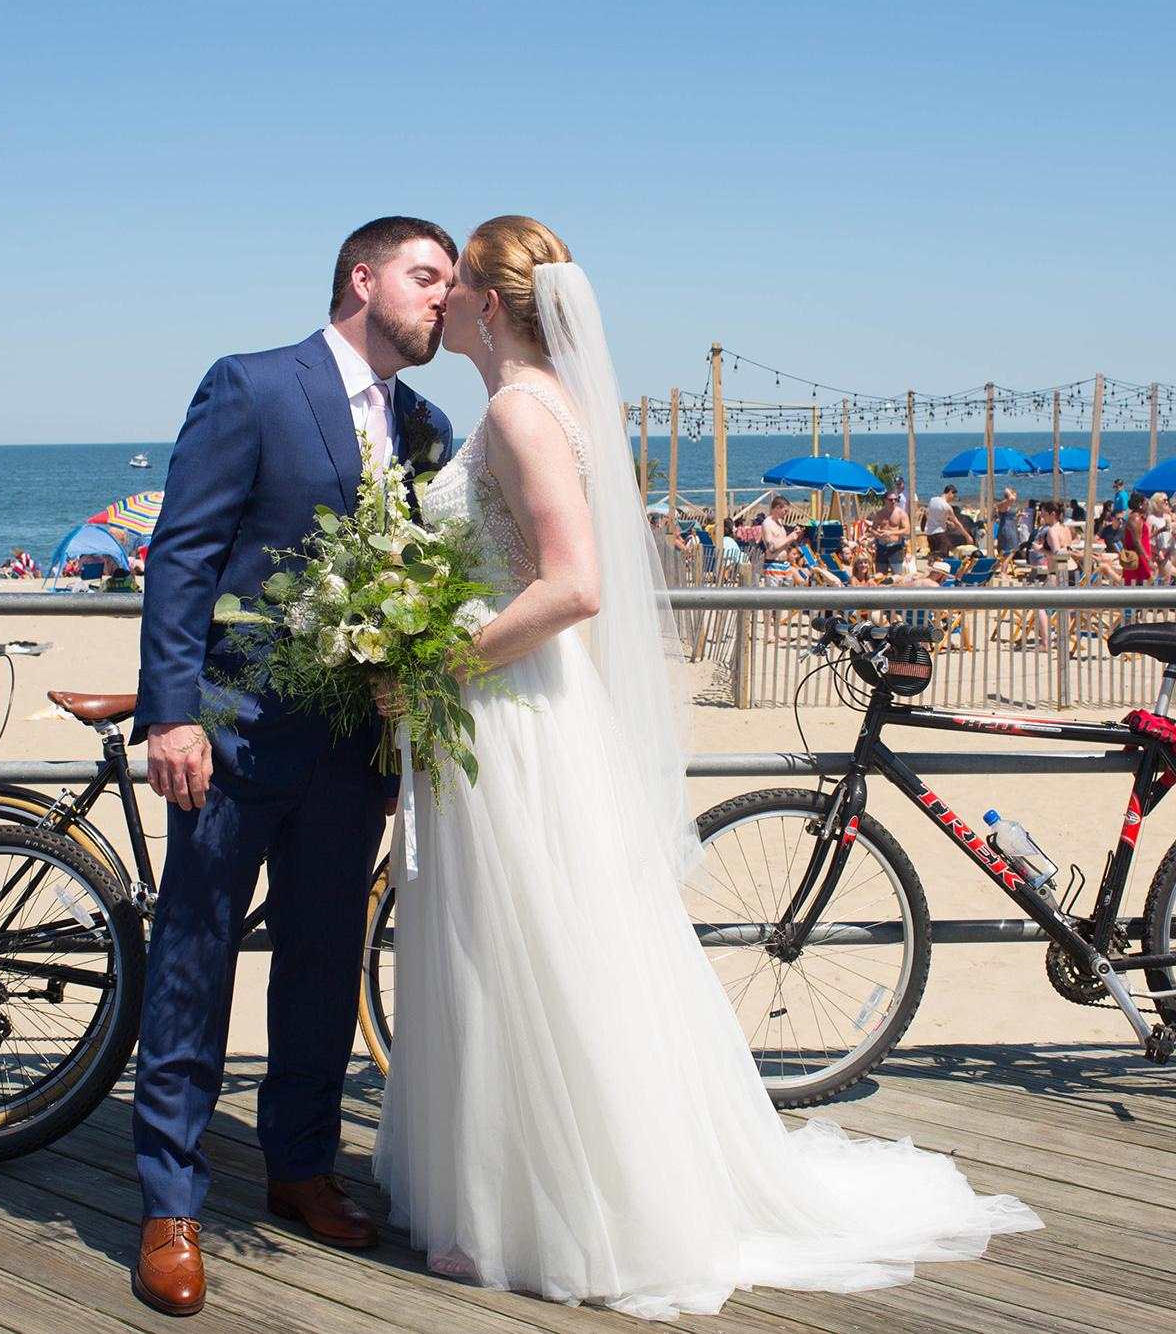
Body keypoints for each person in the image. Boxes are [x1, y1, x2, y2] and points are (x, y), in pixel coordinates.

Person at [374, 216, 1036, 1317]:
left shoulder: (516, 411)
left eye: (453, 290)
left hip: (505, 706)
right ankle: (504, 1191)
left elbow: (574, 585)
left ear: (489, 307)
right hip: (528, 705)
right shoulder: (553, 406)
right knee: (527, 943)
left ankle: (544, 1205)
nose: (435, 304)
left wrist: (441, 662)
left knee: (522, 947)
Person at [130, 216, 460, 1316]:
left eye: (450, 284)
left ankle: (299, 1168)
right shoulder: (253, 385)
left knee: (324, 954)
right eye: (425, 277)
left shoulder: (426, 425)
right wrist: (173, 716)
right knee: (195, 953)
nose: (440, 299)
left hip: (351, 744)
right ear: (361, 279)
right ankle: (169, 1203)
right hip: (230, 731)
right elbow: (182, 553)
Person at [872, 484, 910, 576]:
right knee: (880, 574)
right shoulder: (879, 514)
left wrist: (891, 533)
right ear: (885, 500)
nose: (893, 502)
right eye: (891, 500)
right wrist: (878, 535)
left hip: (895, 547)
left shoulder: (901, 514)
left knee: (897, 575)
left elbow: (907, 531)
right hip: (882, 546)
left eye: (896, 500)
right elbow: (873, 529)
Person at [925, 484, 972, 558]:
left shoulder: (932, 500)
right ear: (950, 492)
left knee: (933, 558)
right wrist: (967, 536)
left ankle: (932, 569)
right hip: (940, 534)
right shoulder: (946, 506)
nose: (953, 498)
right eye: (954, 495)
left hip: (930, 533)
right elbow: (957, 523)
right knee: (942, 558)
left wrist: (946, 522)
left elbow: (927, 514)